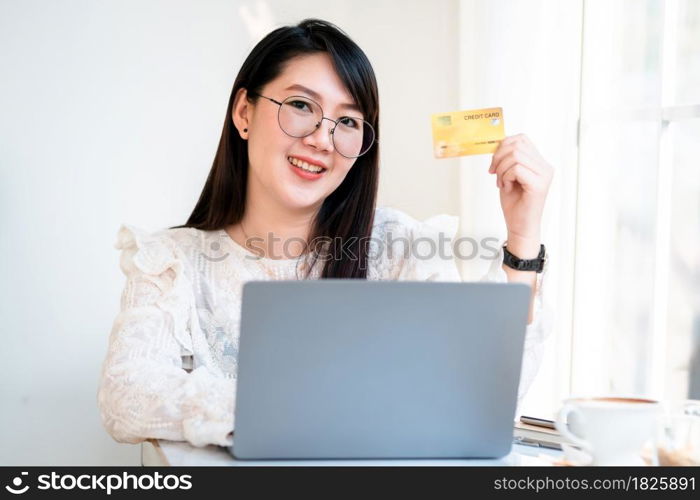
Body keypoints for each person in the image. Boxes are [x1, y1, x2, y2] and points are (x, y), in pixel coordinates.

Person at [97, 18, 554, 448]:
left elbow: (481, 392)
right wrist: (303, 409)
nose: (322, 138)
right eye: (300, 106)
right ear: (244, 112)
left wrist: (522, 233)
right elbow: (127, 394)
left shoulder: (398, 248)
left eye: (348, 122)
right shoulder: (172, 261)